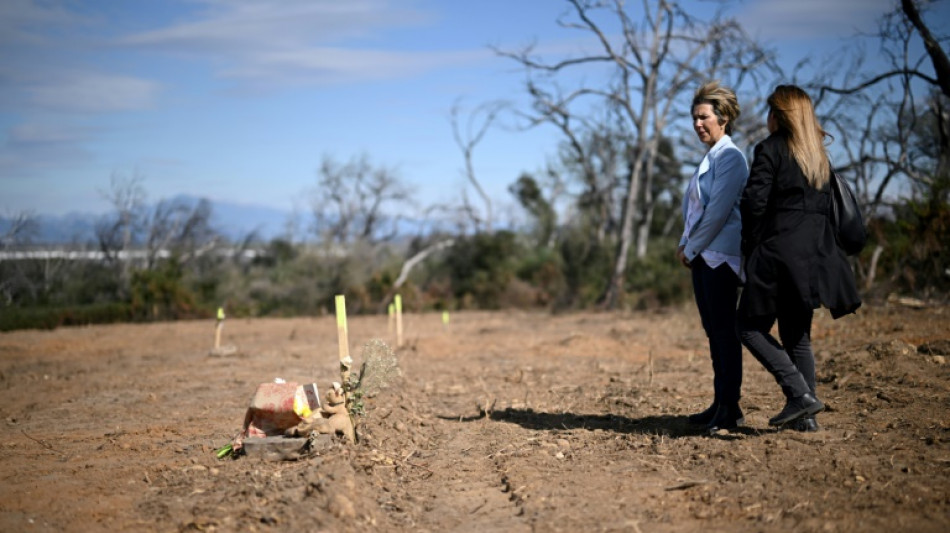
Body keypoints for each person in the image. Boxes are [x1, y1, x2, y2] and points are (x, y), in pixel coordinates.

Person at [738, 85, 861, 432]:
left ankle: (799, 395)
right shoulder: (817, 156)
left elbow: (753, 204)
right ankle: (805, 420)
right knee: (797, 336)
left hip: (777, 255)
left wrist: (750, 244)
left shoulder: (771, 149)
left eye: (769, 112)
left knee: (747, 327)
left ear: (778, 115)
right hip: (815, 259)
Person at [678, 81, 749, 433]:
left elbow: (718, 211)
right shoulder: (710, 157)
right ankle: (720, 403)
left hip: (720, 257)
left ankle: (730, 408)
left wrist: (690, 249)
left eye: (703, 117)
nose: (697, 124)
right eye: (694, 118)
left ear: (723, 117)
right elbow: (695, 210)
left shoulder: (732, 158)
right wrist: (684, 243)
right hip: (703, 256)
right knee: (713, 332)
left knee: (724, 333)